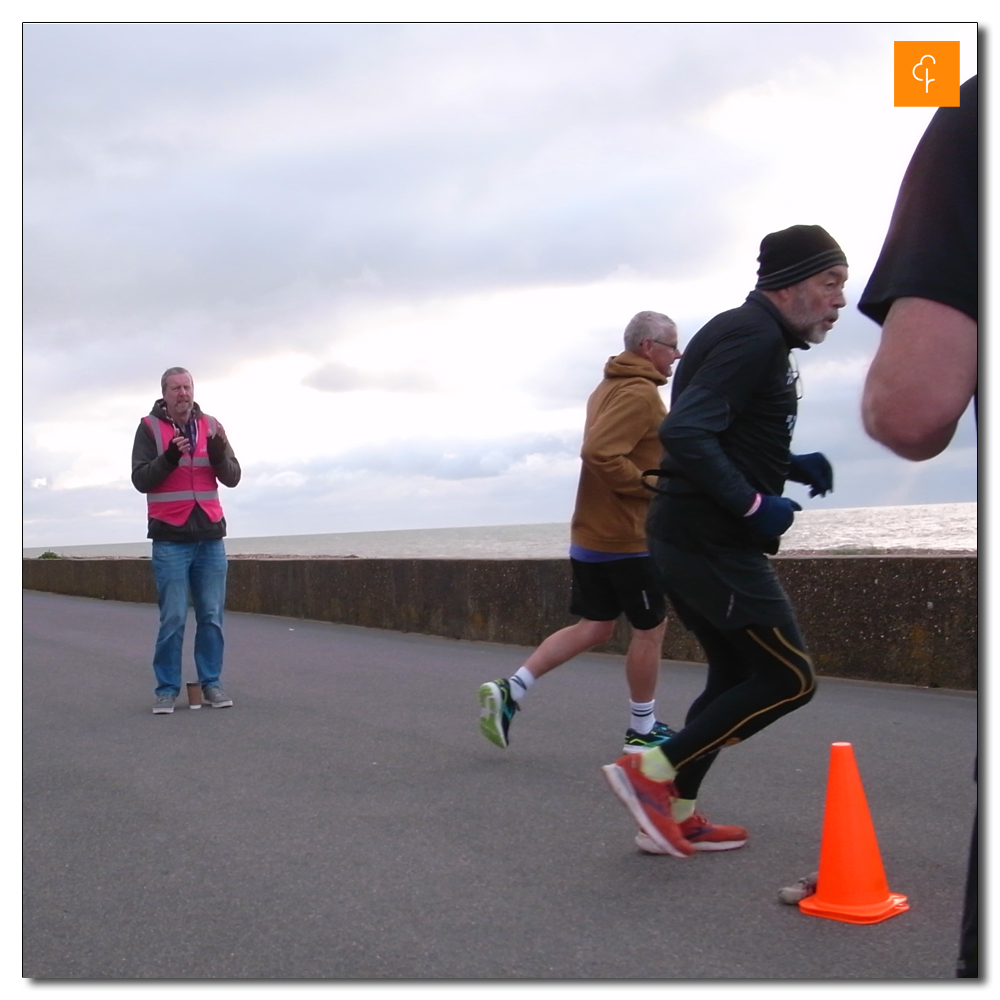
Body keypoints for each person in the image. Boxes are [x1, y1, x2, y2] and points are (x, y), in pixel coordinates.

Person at [600, 225, 846, 857]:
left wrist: (789, 464)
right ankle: (651, 773)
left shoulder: (748, 333)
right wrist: (755, 502)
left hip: (692, 532)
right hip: (710, 536)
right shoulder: (752, 336)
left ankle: (674, 814)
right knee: (790, 678)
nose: (840, 301)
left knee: (736, 672)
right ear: (792, 284)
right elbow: (686, 432)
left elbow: (725, 428)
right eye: (832, 283)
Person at [859, 75, 977, 979]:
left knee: (776, 671)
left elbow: (909, 410)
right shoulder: (739, 343)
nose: (836, 304)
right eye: (823, 287)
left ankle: (661, 771)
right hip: (697, 538)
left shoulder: (977, 110)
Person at [478, 311, 682, 754]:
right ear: (647, 347)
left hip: (590, 534)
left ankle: (512, 689)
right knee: (650, 630)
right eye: (671, 346)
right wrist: (651, 486)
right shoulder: (640, 393)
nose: (677, 355)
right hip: (626, 538)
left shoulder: (606, 387)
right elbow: (599, 451)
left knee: (596, 626)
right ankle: (643, 731)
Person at [131, 367, 242, 714]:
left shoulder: (212, 425)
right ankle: (167, 689)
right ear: (164, 394)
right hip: (170, 538)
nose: (183, 393)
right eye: (176, 388)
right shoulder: (149, 428)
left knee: (211, 615)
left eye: (187, 387)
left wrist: (220, 453)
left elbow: (233, 477)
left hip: (210, 536)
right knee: (174, 617)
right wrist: (169, 459)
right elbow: (140, 479)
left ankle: (211, 684)